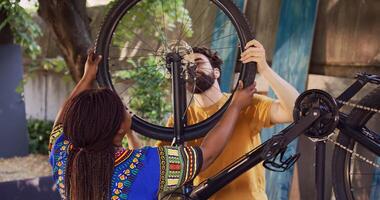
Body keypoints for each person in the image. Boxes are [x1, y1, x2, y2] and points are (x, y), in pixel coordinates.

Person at [48, 49, 257, 200]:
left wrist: (87, 78)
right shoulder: (146, 165)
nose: (126, 107)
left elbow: (61, 120)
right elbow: (207, 154)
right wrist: (235, 107)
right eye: (123, 106)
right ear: (120, 128)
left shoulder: (65, 154)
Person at [156, 39, 300, 200]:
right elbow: (157, 167)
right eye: (186, 66)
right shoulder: (179, 120)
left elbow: (295, 110)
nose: (191, 68)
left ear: (216, 72)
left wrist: (264, 69)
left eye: (198, 62)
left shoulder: (245, 102)